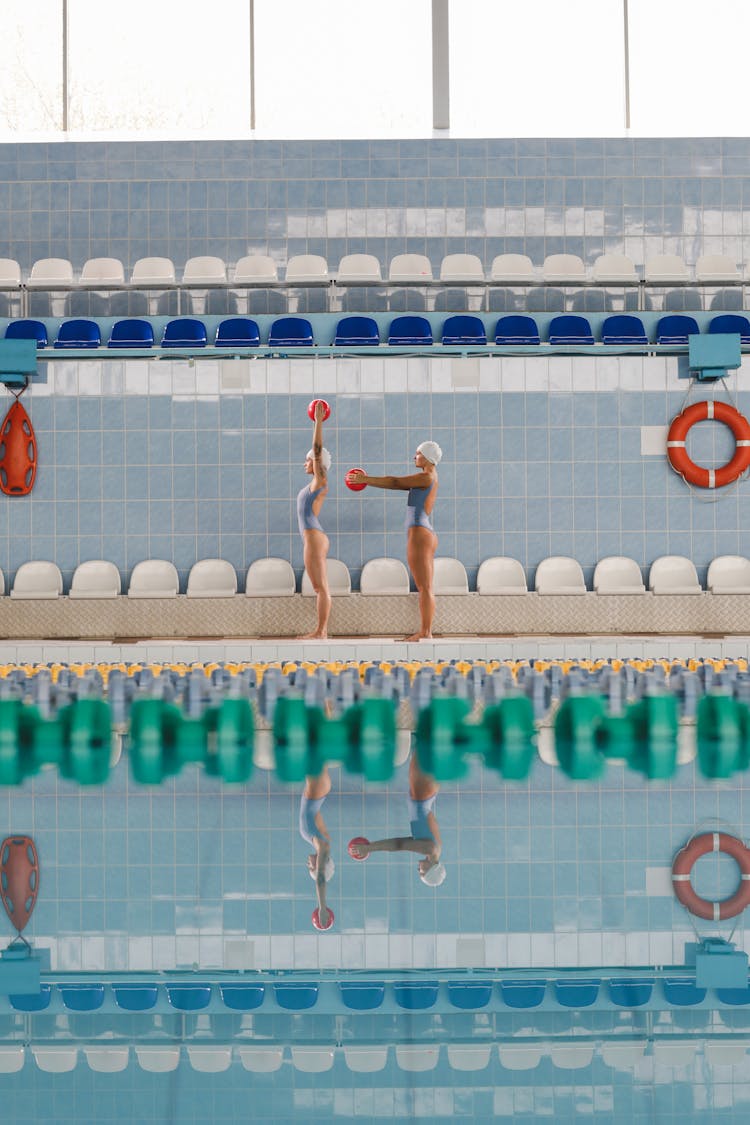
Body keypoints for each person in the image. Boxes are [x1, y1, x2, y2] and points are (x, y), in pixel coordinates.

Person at [347, 441, 442, 641]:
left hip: (420, 534)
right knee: (426, 586)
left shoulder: (426, 476)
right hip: (424, 533)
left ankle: (425, 632)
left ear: (427, 456)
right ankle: (425, 631)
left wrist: (364, 479)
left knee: (425, 587)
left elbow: (395, 482)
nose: (414, 457)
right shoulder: (426, 478)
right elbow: (399, 485)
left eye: (417, 454)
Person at [348, 752, 445, 886]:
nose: (419, 870)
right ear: (431, 870)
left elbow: (400, 843)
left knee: (424, 746)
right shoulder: (430, 849)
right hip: (423, 793)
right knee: (425, 745)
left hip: (424, 793)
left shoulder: (433, 850)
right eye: (422, 873)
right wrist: (368, 848)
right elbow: (398, 844)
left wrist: (370, 847)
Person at [298, 401, 332, 639]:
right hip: (313, 537)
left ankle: (321, 631)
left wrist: (318, 423)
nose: (305, 463)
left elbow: (318, 449)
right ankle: (322, 630)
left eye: (308, 460)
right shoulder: (314, 483)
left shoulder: (320, 481)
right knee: (319, 587)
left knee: (320, 588)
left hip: (314, 537)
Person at [299, 766, 335, 930]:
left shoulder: (316, 841)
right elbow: (321, 879)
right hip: (317, 790)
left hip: (315, 791)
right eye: (311, 868)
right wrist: (322, 907)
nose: (309, 865)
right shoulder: (323, 846)